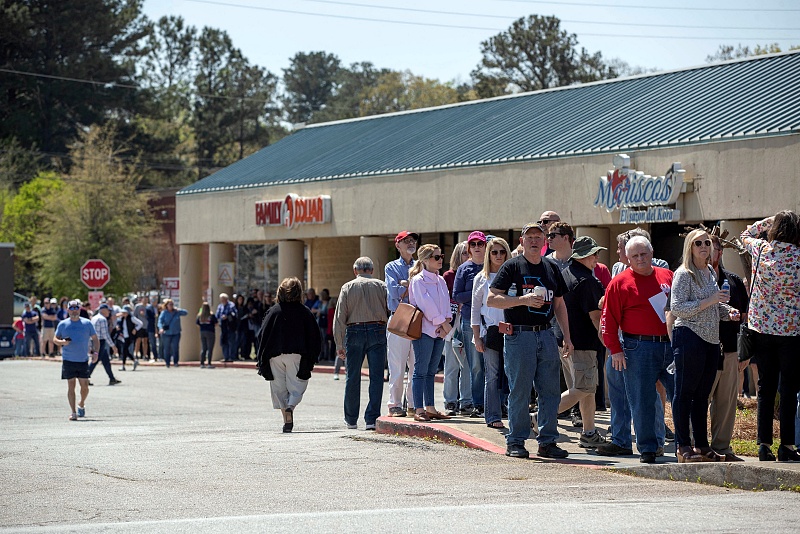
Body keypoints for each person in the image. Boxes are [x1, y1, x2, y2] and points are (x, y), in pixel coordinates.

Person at [488, 222, 573, 460]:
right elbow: (492, 299)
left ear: (545, 240)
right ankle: (515, 441)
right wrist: (522, 300)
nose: (534, 240)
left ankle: (547, 441)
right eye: (530, 237)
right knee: (520, 390)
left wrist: (566, 336)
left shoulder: (551, 267)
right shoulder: (512, 267)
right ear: (522, 241)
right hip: (519, 335)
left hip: (546, 333)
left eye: (539, 236)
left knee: (550, 391)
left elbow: (559, 304)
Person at [598, 228, 672, 459]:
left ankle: (684, 444)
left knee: (680, 395)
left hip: (670, 345)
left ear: (651, 253)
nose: (640, 259)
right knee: (642, 400)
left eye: (644, 254)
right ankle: (648, 448)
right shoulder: (619, 283)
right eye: (635, 256)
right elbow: (608, 320)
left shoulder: (667, 276)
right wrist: (615, 350)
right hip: (636, 347)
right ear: (627, 259)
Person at [670, 229, 738, 463]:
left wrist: (729, 313)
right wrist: (711, 300)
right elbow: (677, 308)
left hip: (711, 340)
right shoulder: (683, 274)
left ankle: (702, 445)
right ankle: (682, 446)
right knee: (684, 393)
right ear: (689, 247)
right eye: (697, 243)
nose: (703, 247)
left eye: (707, 243)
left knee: (702, 396)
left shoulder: (709, 271)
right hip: (688, 336)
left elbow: (712, 308)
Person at [739, 211, 800, 462]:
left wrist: (768, 220)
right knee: (788, 388)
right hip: (792, 330)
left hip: (762, 329)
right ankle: (787, 445)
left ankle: (763, 445)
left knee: (765, 388)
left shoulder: (762, 249)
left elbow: (745, 235)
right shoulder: (798, 256)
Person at [556, 236, 608, 449]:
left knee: (586, 389)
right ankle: (540, 416)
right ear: (586, 256)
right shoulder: (588, 281)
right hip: (583, 344)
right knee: (583, 388)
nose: (597, 257)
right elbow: (596, 318)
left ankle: (589, 432)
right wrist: (609, 341)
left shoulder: (565, 274)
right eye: (595, 253)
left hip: (566, 342)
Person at [256, 277, 321, 433]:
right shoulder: (305, 312)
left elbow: (261, 336)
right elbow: (315, 336)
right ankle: (291, 407)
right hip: (297, 354)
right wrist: (312, 357)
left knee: (279, 389)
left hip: (274, 356)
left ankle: (286, 421)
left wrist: (262, 359)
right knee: (297, 385)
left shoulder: (273, 311)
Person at [334, 257, 389, 430]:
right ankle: (371, 419)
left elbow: (340, 317)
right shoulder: (382, 286)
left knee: (352, 376)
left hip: (354, 330)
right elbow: (390, 309)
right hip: (377, 330)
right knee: (376, 376)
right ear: (372, 270)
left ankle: (351, 419)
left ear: (355, 270)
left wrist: (339, 344)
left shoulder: (348, 287)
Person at [708, 234, 748, 461]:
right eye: (701, 246)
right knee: (700, 399)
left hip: (731, 350)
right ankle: (696, 445)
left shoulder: (733, 281)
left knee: (726, 403)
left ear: (720, 253)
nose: (706, 251)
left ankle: (722, 447)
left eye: (711, 248)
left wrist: (744, 352)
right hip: (705, 350)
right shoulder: (693, 279)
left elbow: (744, 318)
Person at [408, 244, 452, 422]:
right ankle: (419, 408)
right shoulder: (418, 280)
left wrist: (446, 322)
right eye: (436, 257)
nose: (440, 259)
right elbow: (426, 305)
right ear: (425, 260)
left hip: (439, 330)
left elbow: (446, 303)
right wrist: (443, 322)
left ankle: (430, 407)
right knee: (420, 369)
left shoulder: (440, 280)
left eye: (441, 256)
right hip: (424, 330)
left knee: (431, 371)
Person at [471, 237, 511, 429]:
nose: (498, 255)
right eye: (494, 252)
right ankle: (493, 415)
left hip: (513, 331)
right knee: (492, 375)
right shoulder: (481, 278)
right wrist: (477, 336)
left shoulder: (513, 274)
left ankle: (512, 412)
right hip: (491, 330)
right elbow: (474, 309)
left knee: (513, 374)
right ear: (488, 254)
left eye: (502, 252)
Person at [385, 230, 419, 417]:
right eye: (406, 241)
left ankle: (412, 404)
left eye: (412, 240)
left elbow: (421, 291)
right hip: (398, 317)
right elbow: (394, 292)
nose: (410, 244)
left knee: (416, 365)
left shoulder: (420, 266)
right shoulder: (391, 267)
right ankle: (394, 404)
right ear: (397, 245)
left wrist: (407, 284)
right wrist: (409, 285)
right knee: (397, 366)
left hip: (417, 318)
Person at [453, 230, 487, 417]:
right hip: (469, 321)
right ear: (468, 248)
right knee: (475, 364)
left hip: (491, 320)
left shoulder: (494, 267)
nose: (476, 248)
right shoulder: (464, 269)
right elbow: (457, 295)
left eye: (479, 244)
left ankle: (496, 401)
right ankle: (478, 403)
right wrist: (477, 292)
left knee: (495, 364)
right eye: (472, 245)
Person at [54, 300, 100, 420]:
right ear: (68, 310)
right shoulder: (63, 324)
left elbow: (95, 339)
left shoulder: (87, 323)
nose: (74, 311)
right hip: (68, 359)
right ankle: (73, 412)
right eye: (72, 308)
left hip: (83, 359)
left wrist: (95, 353)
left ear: (80, 309)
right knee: (71, 385)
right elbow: (55, 339)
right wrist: (62, 342)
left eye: (76, 308)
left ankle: (81, 403)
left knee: (85, 386)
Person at [442, 241, 470, 416]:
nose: (468, 256)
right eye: (465, 253)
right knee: (451, 365)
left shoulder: (476, 273)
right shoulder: (449, 275)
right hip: (451, 325)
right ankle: (450, 401)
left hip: (469, 322)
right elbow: (444, 299)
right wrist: (457, 303)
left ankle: (466, 401)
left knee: (467, 364)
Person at [89, 304, 121, 385]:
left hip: (94, 341)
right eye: (108, 310)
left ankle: (112, 378)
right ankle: (85, 377)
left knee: (106, 361)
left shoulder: (94, 318)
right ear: (103, 310)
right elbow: (105, 334)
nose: (109, 312)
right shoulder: (102, 319)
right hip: (100, 342)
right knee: (95, 360)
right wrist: (113, 346)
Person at [158, 299, 188, 367]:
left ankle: (175, 362)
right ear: (166, 305)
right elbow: (160, 321)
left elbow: (186, 312)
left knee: (175, 348)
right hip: (167, 333)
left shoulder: (176, 312)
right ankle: (167, 363)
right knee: (167, 348)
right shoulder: (164, 313)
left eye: (172, 304)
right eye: (170, 304)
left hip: (176, 333)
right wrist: (161, 328)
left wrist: (179, 310)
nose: (171, 306)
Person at [117, 305, 143, 371]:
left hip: (130, 336)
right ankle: (133, 361)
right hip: (124, 336)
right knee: (125, 350)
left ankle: (124, 365)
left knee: (124, 350)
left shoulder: (132, 318)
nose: (123, 314)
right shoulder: (122, 319)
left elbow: (140, 323)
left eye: (125, 312)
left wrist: (135, 329)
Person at [215, 293, 237, 363]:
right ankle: (225, 357)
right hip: (223, 327)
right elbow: (217, 315)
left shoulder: (231, 305)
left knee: (231, 342)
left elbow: (235, 314)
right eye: (221, 299)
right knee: (224, 342)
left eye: (223, 299)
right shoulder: (220, 306)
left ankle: (231, 357)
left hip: (230, 326)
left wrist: (227, 316)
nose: (222, 301)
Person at [196, 302, 218, 368]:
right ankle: (209, 363)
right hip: (210, 332)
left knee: (204, 348)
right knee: (210, 348)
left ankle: (202, 363)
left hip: (202, 332)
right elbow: (216, 323)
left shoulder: (199, 316)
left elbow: (197, 324)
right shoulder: (211, 315)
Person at [133, 296, 150, 360]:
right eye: (144, 299)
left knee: (145, 341)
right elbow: (134, 316)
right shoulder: (138, 306)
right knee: (138, 340)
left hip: (146, 326)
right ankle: (136, 354)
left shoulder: (149, 307)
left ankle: (145, 355)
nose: (145, 301)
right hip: (139, 326)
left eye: (146, 300)